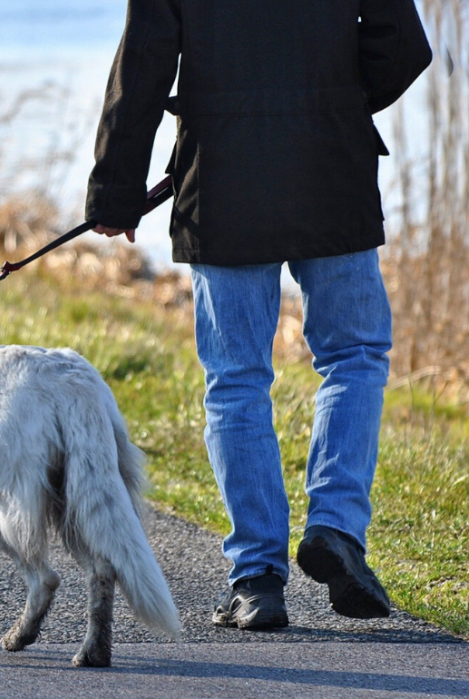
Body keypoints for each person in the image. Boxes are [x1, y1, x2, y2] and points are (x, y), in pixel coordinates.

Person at [87, 0, 432, 629]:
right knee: (354, 357)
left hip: (223, 181)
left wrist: (115, 190)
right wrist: (336, 101)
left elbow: (143, 65)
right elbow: (404, 48)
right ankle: (336, 528)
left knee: (237, 377)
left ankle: (256, 579)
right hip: (334, 169)